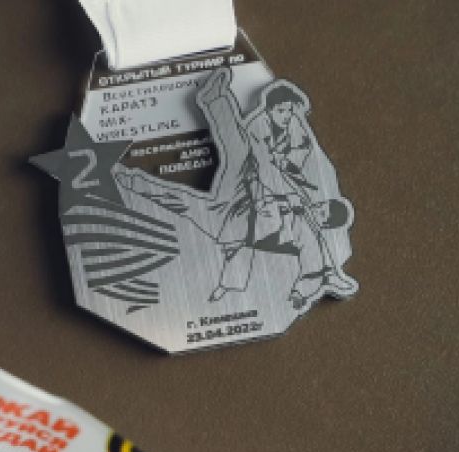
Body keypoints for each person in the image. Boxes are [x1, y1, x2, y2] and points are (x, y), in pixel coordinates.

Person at [116, 67, 355, 306]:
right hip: (243, 193)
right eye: (322, 206)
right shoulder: (264, 131)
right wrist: (282, 183)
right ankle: (215, 98)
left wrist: (301, 293)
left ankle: (130, 181)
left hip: (231, 222)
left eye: (322, 215)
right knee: (238, 150)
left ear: (324, 225)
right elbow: (268, 169)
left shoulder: (308, 232)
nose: (317, 210)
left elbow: (312, 266)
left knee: (180, 202)